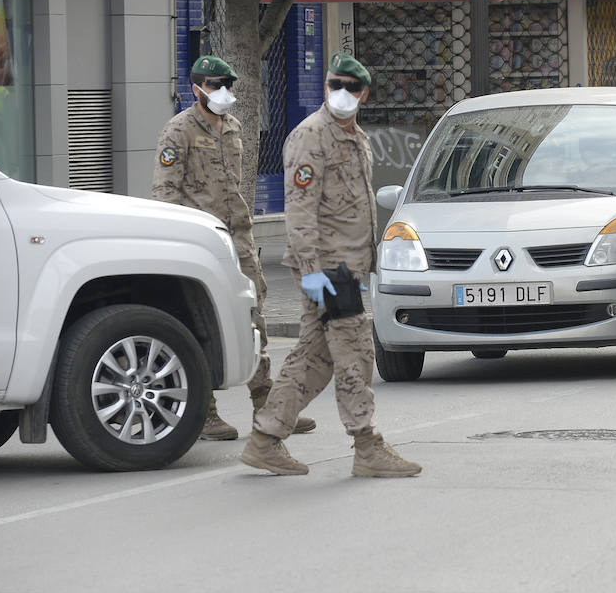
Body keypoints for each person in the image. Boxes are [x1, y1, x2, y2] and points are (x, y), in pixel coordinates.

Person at [240, 52, 421, 479]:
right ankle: (367, 445)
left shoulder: (354, 137)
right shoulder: (310, 137)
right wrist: (311, 272)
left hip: (348, 268)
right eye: (335, 85)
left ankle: (265, 439)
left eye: (352, 88)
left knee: (315, 358)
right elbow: (299, 212)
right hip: (328, 270)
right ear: (325, 88)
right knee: (356, 354)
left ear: (364, 94)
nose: (343, 94)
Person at [152, 55, 314, 441]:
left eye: (228, 86)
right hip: (199, 239)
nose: (223, 93)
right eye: (214, 86)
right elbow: (164, 192)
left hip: (238, 236)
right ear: (196, 89)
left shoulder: (234, 126)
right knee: (198, 316)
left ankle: (266, 405)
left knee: (254, 314)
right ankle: (204, 413)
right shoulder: (178, 131)